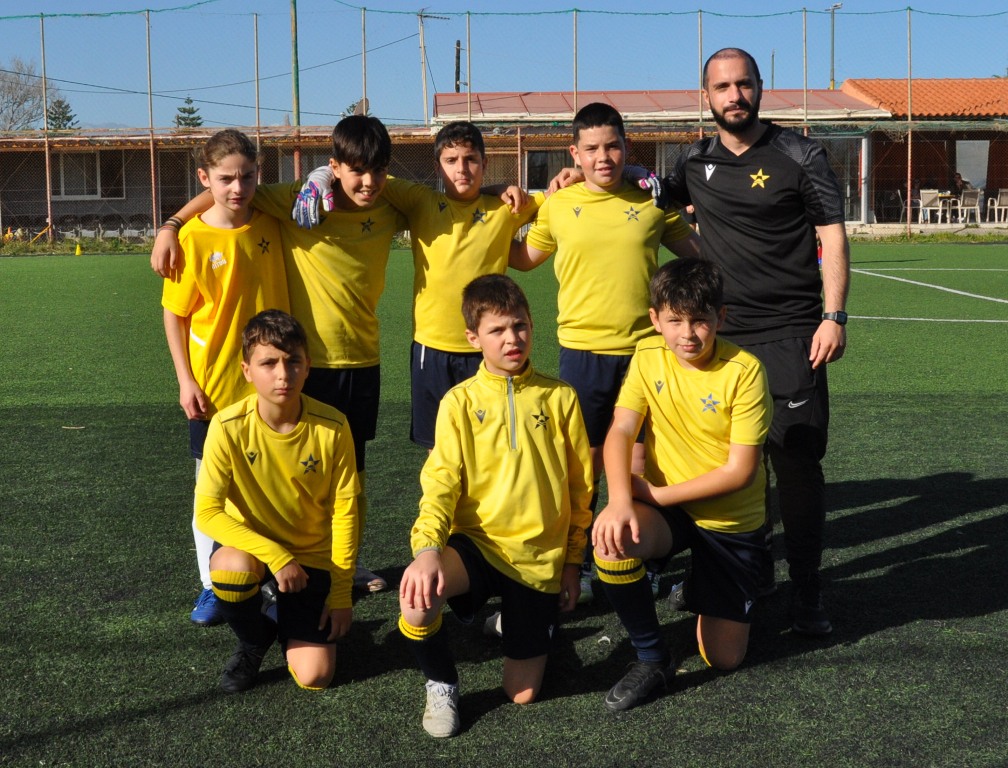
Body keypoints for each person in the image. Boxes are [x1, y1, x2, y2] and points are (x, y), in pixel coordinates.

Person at [641, 47, 850, 636]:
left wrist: (834, 315)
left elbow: (832, 235)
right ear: (706, 95)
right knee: (727, 467)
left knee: (796, 465)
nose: (734, 96)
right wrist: (577, 175)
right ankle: (746, 575)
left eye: (744, 84)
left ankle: (807, 588)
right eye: (722, 87)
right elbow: (649, 195)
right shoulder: (693, 159)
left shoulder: (800, 154)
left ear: (760, 87)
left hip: (791, 335)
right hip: (721, 338)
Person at [154, 115, 409, 594]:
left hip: (351, 362)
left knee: (344, 474)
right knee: (256, 477)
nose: (367, 180)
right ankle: (231, 577)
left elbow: (448, 195)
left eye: (249, 177)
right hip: (277, 370)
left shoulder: (382, 198)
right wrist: (172, 224)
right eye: (355, 169)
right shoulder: (288, 202)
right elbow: (225, 192)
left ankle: (340, 564)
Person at [509, 102, 700, 602]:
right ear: (574, 153)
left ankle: (640, 560)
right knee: (587, 464)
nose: (603, 157)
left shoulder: (651, 201)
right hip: (583, 352)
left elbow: (698, 255)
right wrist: (504, 208)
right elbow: (522, 258)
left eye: (612, 146)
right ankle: (579, 557)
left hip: (647, 353)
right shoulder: (558, 205)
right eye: (591, 149)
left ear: (626, 148)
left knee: (639, 463)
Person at [397, 274, 592, 738]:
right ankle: (441, 683)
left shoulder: (560, 397)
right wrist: (427, 550)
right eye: (497, 330)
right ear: (473, 338)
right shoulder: (458, 402)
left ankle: (513, 621)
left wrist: (572, 562)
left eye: (520, 326)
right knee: (416, 599)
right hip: (480, 546)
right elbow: (440, 483)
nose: (512, 339)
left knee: (522, 694)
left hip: (539, 558)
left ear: (532, 326)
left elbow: (581, 489)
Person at [593, 257, 771, 712]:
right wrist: (619, 501)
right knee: (612, 542)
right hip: (670, 512)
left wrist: (653, 495)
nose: (687, 334)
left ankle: (704, 583)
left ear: (721, 318)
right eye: (674, 321)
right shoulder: (647, 354)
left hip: (729, 520)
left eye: (700, 321)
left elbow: (740, 472)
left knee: (724, 659)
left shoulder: (745, 371)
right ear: (655, 319)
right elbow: (621, 429)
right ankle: (652, 658)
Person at [160, 128, 289, 626]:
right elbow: (174, 315)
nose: (238, 188)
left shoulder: (274, 222)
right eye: (226, 179)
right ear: (204, 178)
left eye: (248, 177)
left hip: (271, 385)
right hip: (213, 388)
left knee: (272, 484)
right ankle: (212, 583)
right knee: (210, 492)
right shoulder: (191, 239)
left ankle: (273, 577)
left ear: (259, 174)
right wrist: (185, 380)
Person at [195, 309, 360, 693]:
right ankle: (254, 640)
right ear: (247, 370)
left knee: (315, 676)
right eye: (269, 363)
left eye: (293, 361)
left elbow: (347, 512)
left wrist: (340, 592)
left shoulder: (334, 426)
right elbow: (206, 512)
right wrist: (276, 556)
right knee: (231, 570)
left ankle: (282, 615)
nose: (283, 374)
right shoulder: (227, 426)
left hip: (311, 557)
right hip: (254, 553)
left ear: (308, 366)